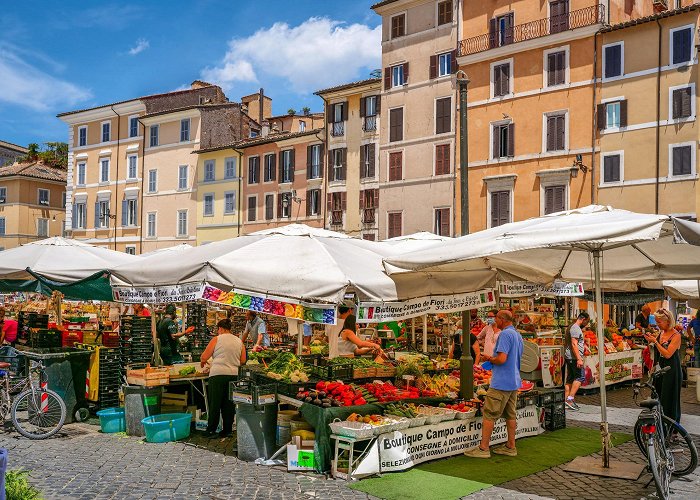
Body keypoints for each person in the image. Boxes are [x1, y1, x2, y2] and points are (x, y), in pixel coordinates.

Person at [464, 310, 523, 458]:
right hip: (514, 381)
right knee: (510, 415)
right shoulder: (517, 335)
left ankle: (483, 449)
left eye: (496, 318)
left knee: (489, 414)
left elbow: (502, 359)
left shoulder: (504, 335)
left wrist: (489, 358)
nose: (494, 321)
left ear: (502, 319)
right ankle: (511, 446)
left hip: (501, 382)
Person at [200, 318, 246, 438]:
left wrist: (203, 362)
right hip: (234, 375)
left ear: (220, 328)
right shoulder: (239, 341)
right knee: (229, 404)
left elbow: (204, 356)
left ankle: (211, 431)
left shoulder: (217, 339)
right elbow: (243, 360)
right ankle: (227, 430)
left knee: (215, 403)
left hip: (218, 374)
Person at [644, 309, 682, 423]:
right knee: (659, 396)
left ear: (668, 321)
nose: (657, 324)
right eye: (656, 322)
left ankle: (672, 428)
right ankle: (660, 424)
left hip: (671, 369)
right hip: (661, 369)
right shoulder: (662, 333)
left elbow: (668, 354)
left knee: (670, 398)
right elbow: (658, 351)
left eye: (659, 322)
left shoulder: (676, 335)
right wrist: (651, 341)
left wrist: (655, 342)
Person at [564, 312, 590, 411]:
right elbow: (574, 344)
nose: (586, 324)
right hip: (574, 358)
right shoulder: (575, 328)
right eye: (587, 321)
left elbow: (575, 343)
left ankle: (566, 401)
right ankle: (570, 400)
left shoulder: (572, 326)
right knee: (580, 377)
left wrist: (583, 346)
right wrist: (579, 358)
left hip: (569, 356)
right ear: (583, 319)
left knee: (570, 378)